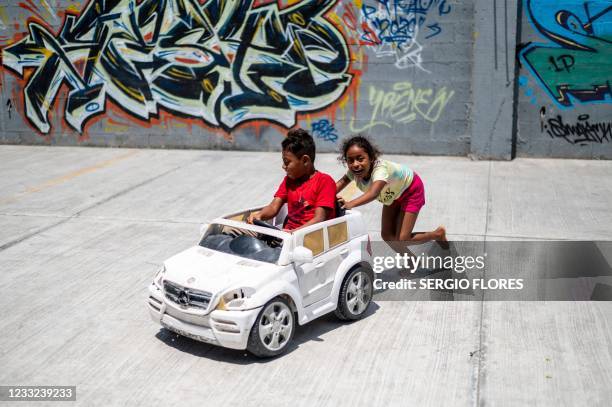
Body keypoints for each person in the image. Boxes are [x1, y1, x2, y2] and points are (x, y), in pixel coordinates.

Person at [335, 135, 447, 247]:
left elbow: (373, 193)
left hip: (411, 190)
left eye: (360, 159)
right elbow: (337, 186)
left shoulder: (380, 170)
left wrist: (350, 204)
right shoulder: (352, 173)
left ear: (371, 158)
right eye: (350, 160)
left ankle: (438, 234)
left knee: (404, 239)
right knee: (387, 236)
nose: (355, 164)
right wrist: (321, 195)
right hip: (393, 195)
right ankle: (411, 260)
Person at [248, 128, 336, 231]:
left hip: (309, 239)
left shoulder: (324, 181)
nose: (283, 166)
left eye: (287, 162)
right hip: (284, 236)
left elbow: (319, 218)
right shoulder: (288, 181)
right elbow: (273, 207)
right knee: (231, 232)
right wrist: (259, 215)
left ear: (305, 161)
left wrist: (293, 233)